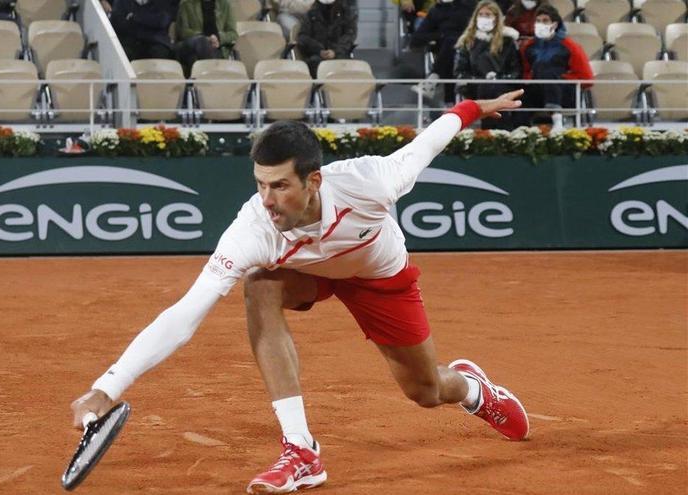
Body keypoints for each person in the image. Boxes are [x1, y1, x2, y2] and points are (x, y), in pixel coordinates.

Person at [70, 89, 530, 494]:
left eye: (280, 186)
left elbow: (429, 142)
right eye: (260, 185)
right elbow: (188, 311)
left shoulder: (372, 181)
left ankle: (474, 391)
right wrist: (106, 388)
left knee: (426, 390)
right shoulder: (253, 227)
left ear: (313, 181)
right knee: (259, 286)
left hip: (379, 279)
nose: (267, 200)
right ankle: (301, 449)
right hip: (307, 274)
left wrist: (471, 108)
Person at [519, 4, 592, 130]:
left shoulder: (570, 46)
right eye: (538, 21)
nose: (541, 24)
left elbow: (587, 78)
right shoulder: (528, 47)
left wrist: (561, 77)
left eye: (545, 21)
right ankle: (520, 131)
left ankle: (557, 119)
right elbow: (525, 72)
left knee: (549, 73)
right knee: (521, 91)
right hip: (537, 91)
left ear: (555, 24)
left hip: (565, 93)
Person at [455, 0, 521, 129]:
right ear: (475, 18)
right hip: (473, 87)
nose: (484, 18)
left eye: (488, 15)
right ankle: (490, 131)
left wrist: (499, 79)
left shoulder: (507, 41)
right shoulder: (467, 41)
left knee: (494, 88)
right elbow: (460, 71)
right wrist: (479, 80)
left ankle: (497, 132)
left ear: (496, 18)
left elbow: (516, 70)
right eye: (481, 14)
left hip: (502, 86)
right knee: (486, 88)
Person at [410, 0, 477, 104]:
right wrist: (440, 36)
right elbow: (416, 39)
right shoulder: (436, 11)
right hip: (446, 52)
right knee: (450, 46)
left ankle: (434, 79)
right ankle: (452, 100)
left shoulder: (470, 6)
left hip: (470, 47)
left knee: (452, 44)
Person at [174, 0, 238, 77]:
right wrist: (205, 38)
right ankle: (213, 77)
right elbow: (182, 31)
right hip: (191, 44)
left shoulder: (225, 4)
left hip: (216, 47)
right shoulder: (186, 3)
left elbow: (233, 33)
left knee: (194, 57)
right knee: (201, 42)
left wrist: (218, 38)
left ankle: (206, 79)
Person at [296, 0, 358, 78]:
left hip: (340, 55)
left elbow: (349, 35)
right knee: (315, 64)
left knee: (347, 67)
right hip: (317, 56)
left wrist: (335, 51)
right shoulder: (311, 13)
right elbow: (303, 37)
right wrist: (319, 50)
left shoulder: (346, 13)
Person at [110, 0, 178, 60]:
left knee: (161, 53)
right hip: (130, 41)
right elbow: (116, 22)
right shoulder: (122, 2)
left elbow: (162, 21)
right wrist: (147, 20)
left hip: (155, 41)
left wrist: (135, 17)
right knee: (121, 55)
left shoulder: (162, 2)